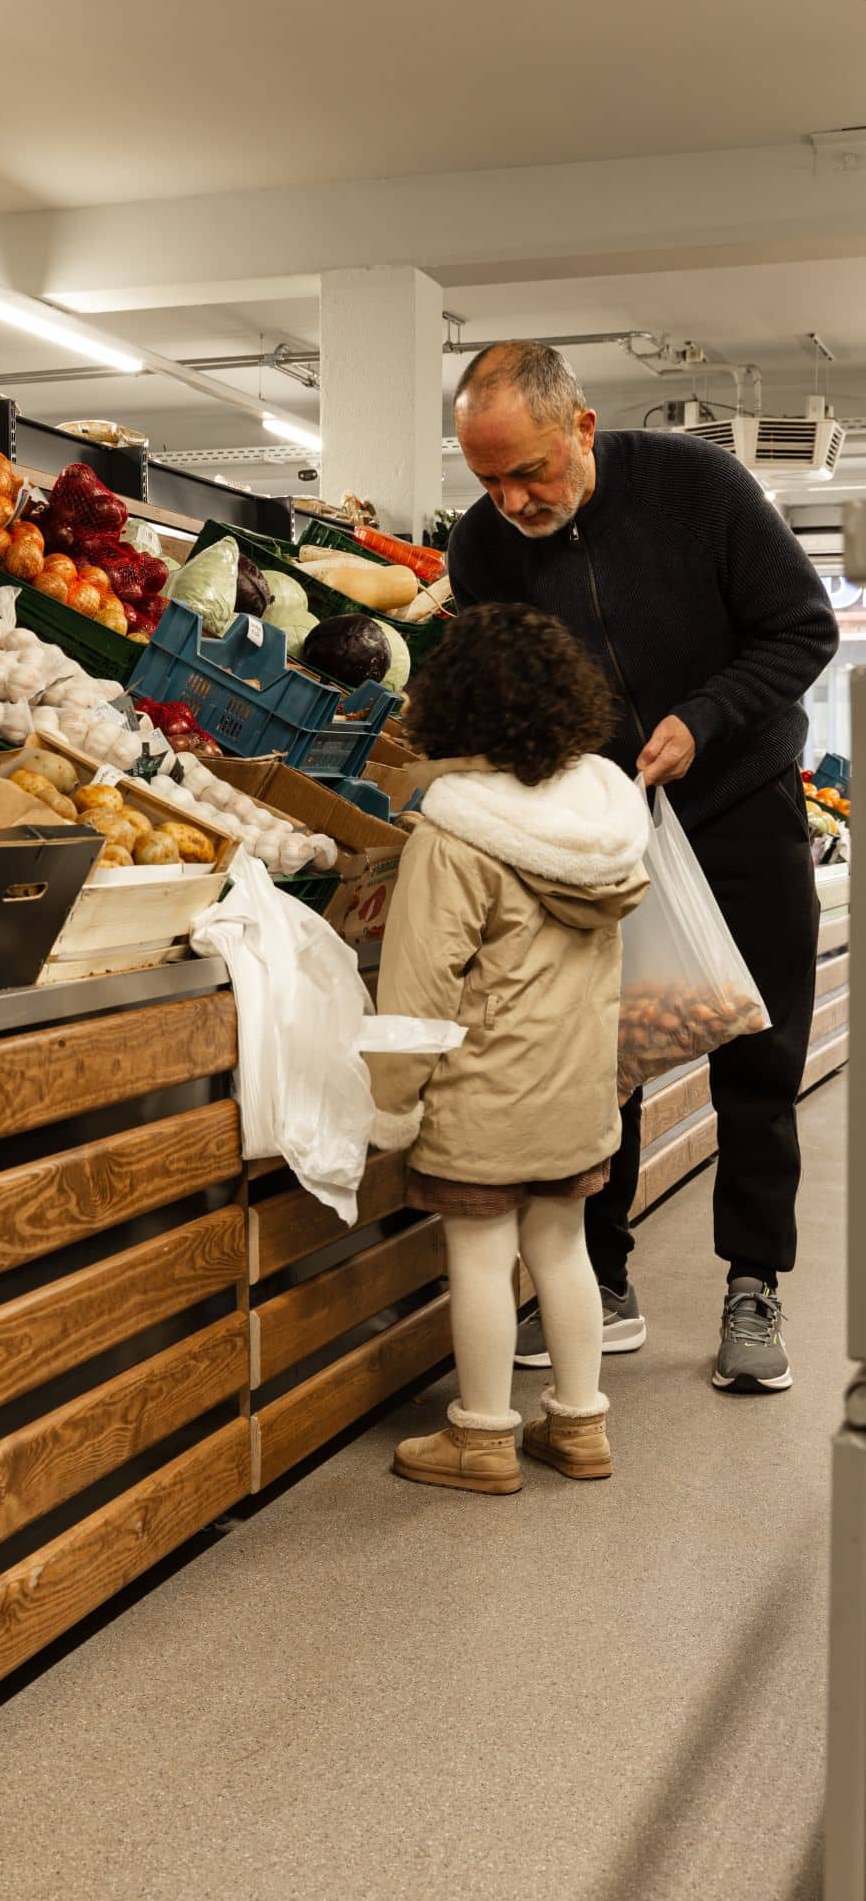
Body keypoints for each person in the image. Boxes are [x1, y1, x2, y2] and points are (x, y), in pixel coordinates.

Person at [446, 342, 838, 1394]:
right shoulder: (480, 547)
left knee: (758, 1053)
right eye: (486, 480)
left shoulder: (696, 486)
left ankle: (752, 1282)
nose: (511, 501)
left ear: (579, 428)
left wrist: (703, 720)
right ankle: (601, 1278)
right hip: (597, 827)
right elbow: (503, 688)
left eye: (528, 471)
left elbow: (799, 629)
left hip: (738, 801)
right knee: (597, 1053)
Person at [369, 605, 648, 1494]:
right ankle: (580, 1427)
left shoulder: (455, 833)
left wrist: (391, 1103)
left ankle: (483, 1437)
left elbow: (418, 987)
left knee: (482, 1256)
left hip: (483, 1090)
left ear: (454, 704)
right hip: (577, 1089)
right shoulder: (604, 824)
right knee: (564, 1248)